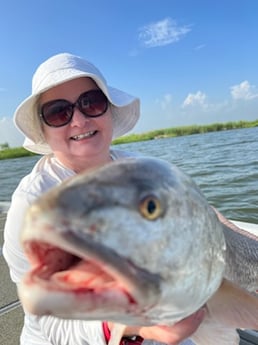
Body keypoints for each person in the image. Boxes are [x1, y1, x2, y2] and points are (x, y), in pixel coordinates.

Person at [3, 52, 205, 345]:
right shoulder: (34, 205)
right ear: (44, 130)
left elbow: (196, 212)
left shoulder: (140, 170)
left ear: (109, 110)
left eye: (91, 103)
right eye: (59, 112)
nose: (79, 120)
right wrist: (131, 325)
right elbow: (49, 318)